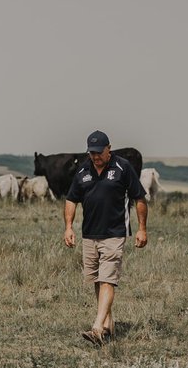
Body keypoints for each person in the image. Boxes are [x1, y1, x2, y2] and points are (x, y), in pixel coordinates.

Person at [63, 131, 148, 345]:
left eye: (99, 152)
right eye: (92, 153)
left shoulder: (122, 167)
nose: (95, 156)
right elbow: (71, 199)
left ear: (108, 148)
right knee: (96, 280)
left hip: (115, 233)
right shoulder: (83, 170)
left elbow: (139, 198)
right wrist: (68, 227)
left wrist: (142, 229)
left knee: (108, 279)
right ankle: (108, 324)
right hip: (89, 234)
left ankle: (97, 328)